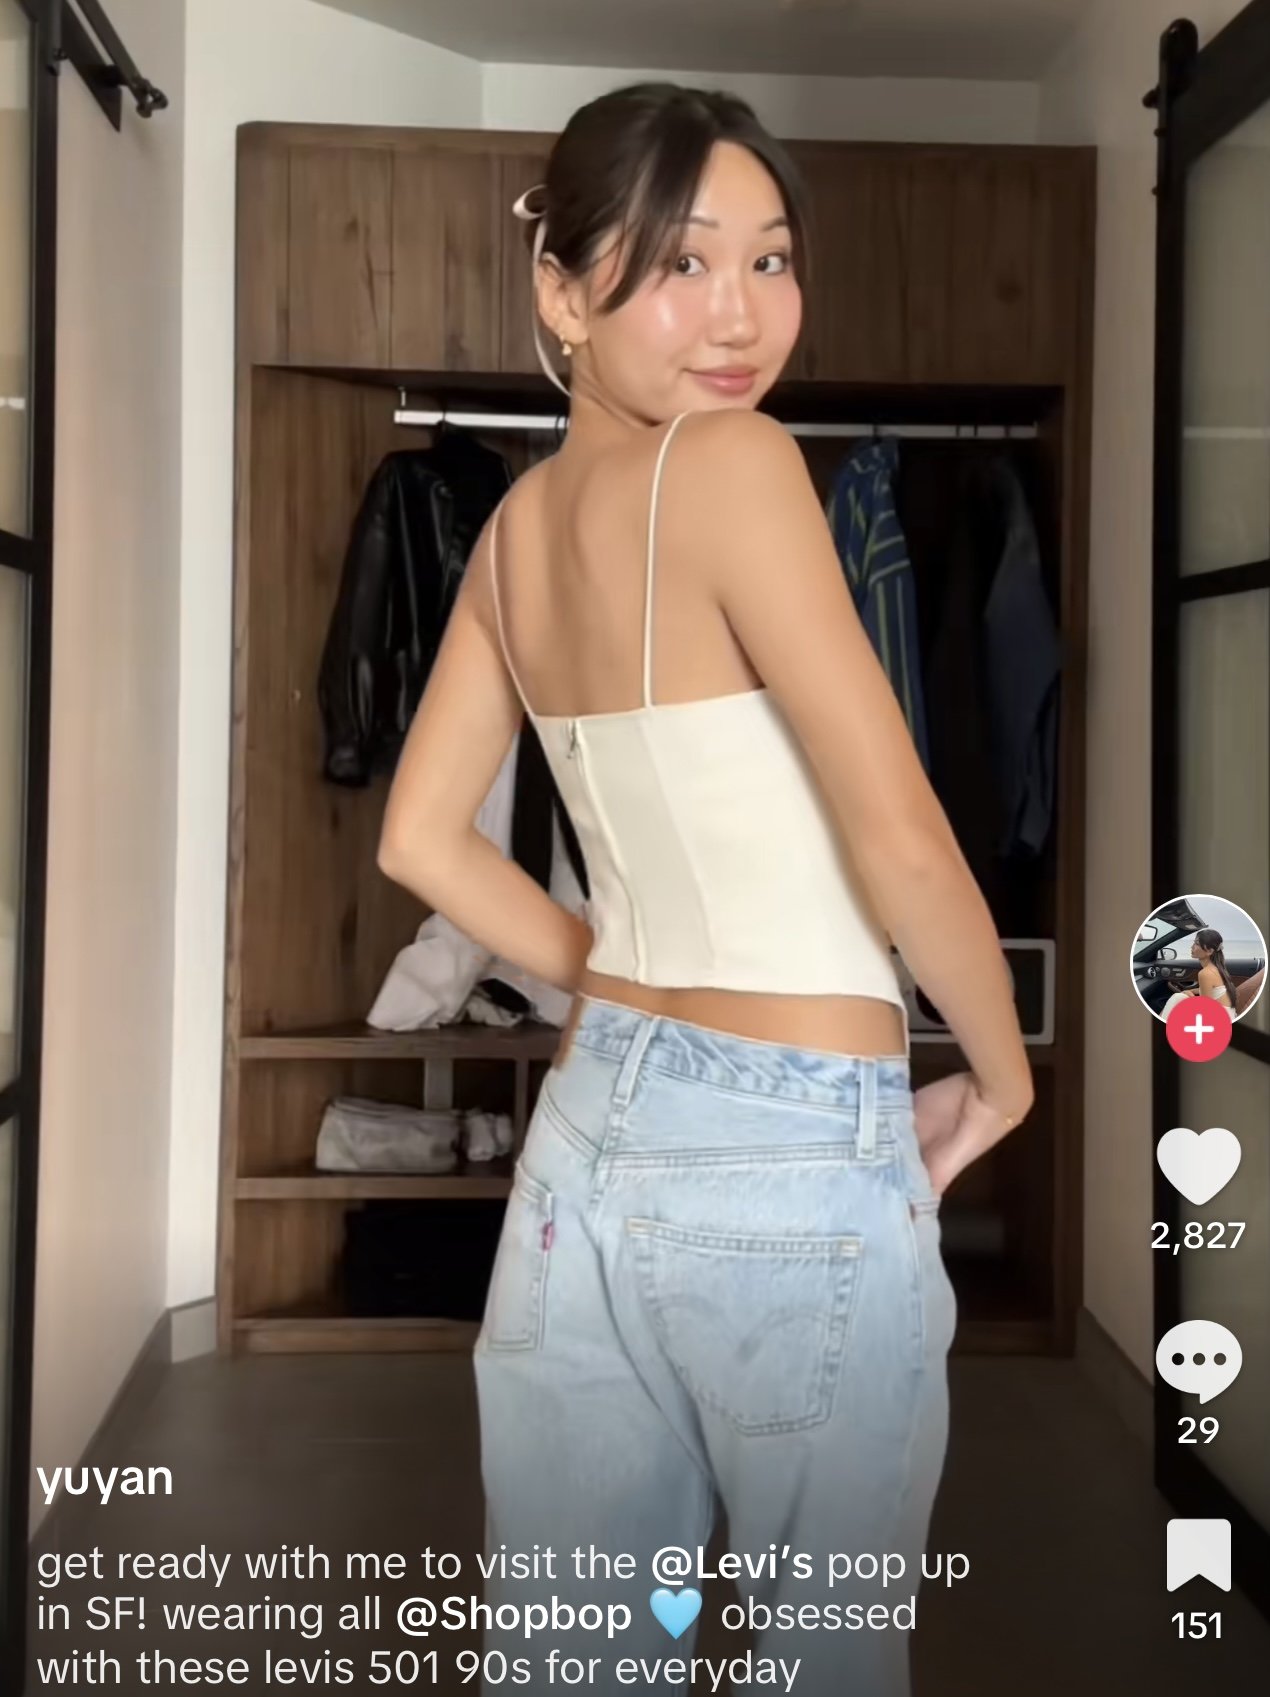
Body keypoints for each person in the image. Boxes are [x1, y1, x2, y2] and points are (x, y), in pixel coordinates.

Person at [377, 81, 1033, 1697]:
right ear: (560, 287)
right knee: (826, 1658)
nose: (739, 317)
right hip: (793, 1145)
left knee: (576, 1659)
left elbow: (421, 838)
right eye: (681, 264)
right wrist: (1004, 1074)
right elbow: (898, 831)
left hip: (592, 1132)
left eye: (771, 260)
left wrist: (610, 978)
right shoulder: (735, 466)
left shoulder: (514, 531)